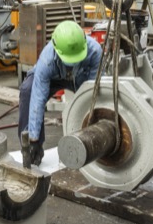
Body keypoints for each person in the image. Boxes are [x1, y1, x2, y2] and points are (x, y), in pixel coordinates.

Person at [19, 20, 102, 165]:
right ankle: (32, 149)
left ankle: (94, 144)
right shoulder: (47, 60)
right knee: (28, 90)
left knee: (96, 100)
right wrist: (33, 138)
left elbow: (93, 94)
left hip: (80, 79)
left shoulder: (95, 52)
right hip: (54, 77)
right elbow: (38, 99)